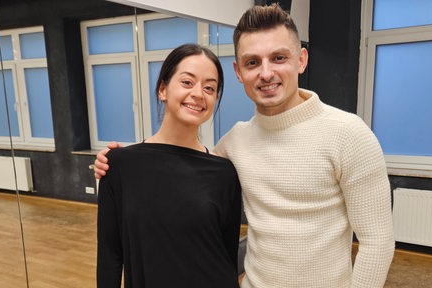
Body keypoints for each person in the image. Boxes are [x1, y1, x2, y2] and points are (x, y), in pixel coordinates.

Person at [95, 4, 394, 288]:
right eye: (253, 62)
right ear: (239, 72)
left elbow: (377, 242)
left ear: (301, 60)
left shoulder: (349, 134)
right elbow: (180, 167)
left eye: (279, 58)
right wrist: (118, 161)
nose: (265, 73)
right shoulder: (235, 143)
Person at [96, 43, 242, 288]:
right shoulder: (119, 166)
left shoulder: (224, 173)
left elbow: (227, 256)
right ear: (163, 89)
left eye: (209, 87)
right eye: (187, 82)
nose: (198, 93)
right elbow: (110, 256)